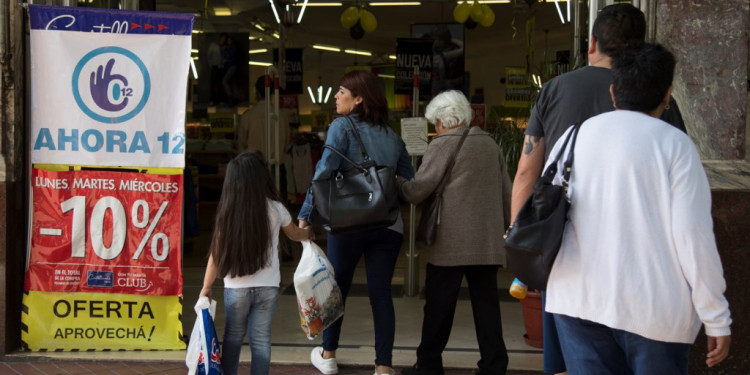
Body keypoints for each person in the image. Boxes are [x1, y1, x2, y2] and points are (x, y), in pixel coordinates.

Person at [544, 42, 732, 374]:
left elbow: (545, 210)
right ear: (667, 95)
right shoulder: (676, 146)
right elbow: (693, 236)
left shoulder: (573, 137)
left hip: (577, 301)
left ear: (614, 92)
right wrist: (715, 316)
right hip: (654, 311)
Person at [509, 4, 649, 374]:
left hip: (564, 245)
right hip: (636, 249)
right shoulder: (654, 94)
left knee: (566, 358)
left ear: (591, 43)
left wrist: (521, 237)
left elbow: (527, 171)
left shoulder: (556, 88)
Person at [297, 70, 414, 375]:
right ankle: (384, 366)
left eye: (341, 92)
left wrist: (306, 214)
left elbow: (323, 174)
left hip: (348, 223)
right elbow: (408, 181)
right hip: (387, 225)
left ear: (359, 98)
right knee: (381, 294)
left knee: (337, 291)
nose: (335, 96)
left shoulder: (341, 127)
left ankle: (328, 355)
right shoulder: (393, 136)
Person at [397, 90, 512, 375]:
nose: (436, 128)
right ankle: (493, 366)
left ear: (442, 119)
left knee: (439, 306)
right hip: (486, 242)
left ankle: (429, 365)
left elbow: (418, 190)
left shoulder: (442, 144)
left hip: (450, 242)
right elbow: (507, 192)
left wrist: (398, 182)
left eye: (435, 122)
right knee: (486, 306)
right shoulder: (489, 143)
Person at [199, 151, 313, 375]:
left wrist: (206, 286)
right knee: (260, 341)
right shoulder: (275, 208)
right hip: (267, 287)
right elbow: (294, 235)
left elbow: (216, 253)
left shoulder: (228, 212)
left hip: (236, 289)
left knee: (232, 338)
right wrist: (308, 232)